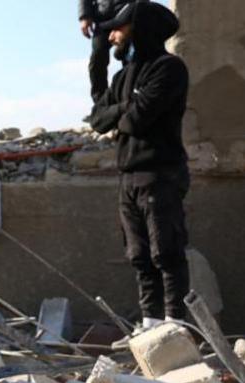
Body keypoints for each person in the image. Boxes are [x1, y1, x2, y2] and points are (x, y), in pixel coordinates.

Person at [89, 2, 190, 343]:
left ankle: (175, 327)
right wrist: (123, 102)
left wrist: (123, 111)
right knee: (140, 257)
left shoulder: (169, 69)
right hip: (129, 177)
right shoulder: (121, 77)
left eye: (118, 28)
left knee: (167, 253)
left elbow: (138, 118)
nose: (113, 34)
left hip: (159, 174)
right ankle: (151, 327)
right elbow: (99, 118)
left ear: (140, 29)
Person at [80, 0, 136, 102]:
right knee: (97, 58)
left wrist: (137, 11)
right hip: (102, 18)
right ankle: (100, 102)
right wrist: (84, 16)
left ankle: (129, 98)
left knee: (129, 59)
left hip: (126, 15)